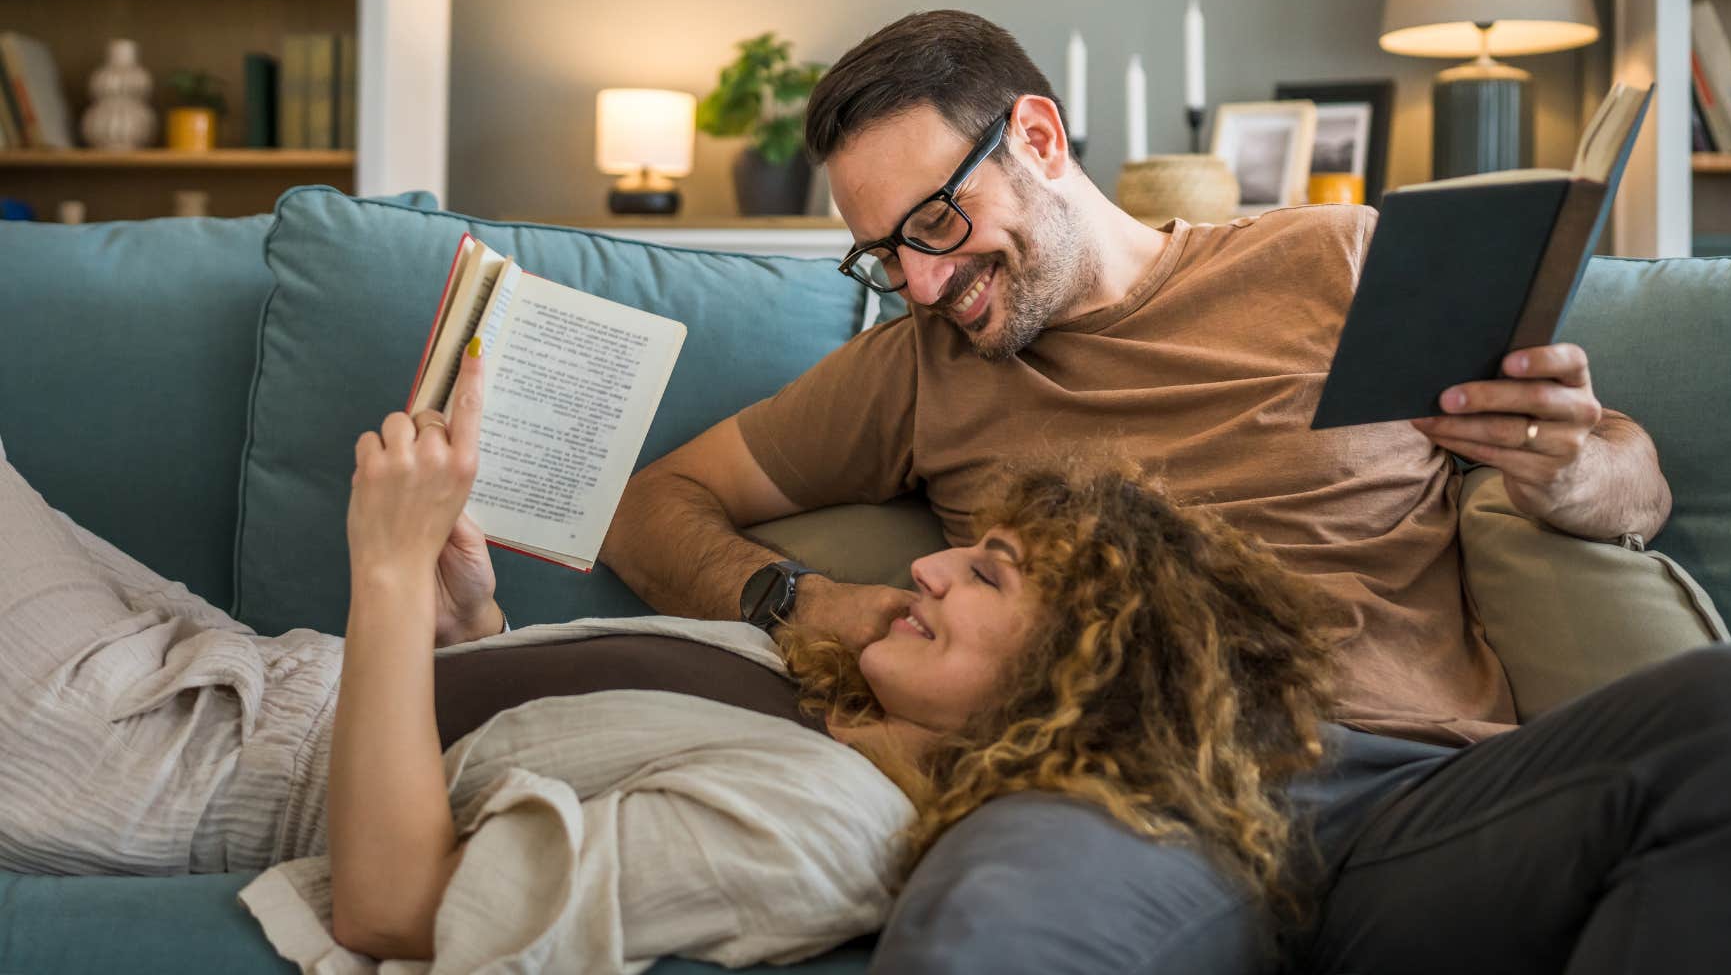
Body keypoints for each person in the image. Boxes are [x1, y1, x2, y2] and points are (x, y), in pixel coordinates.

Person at [597, 10, 1731, 972]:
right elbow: (651, 501)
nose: (925, 282)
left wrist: (1578, 469)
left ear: (1038, 139)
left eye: (936, 225)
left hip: (1416, 799)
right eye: (886, 256)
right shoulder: (919, 368)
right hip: (1120, 808)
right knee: (983, 941)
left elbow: (1635, 479)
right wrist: (792, 599)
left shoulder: (1334, 260)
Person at [0, 340, 1337, 970]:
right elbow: (528, 751)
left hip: (156, 759)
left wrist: (393, 573)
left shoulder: (817, 834)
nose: (927, 564)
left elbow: (397, 912)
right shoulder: (839, 704)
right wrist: (471, 620)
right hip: (235, 668)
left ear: (1067, 689)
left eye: (985, 576)